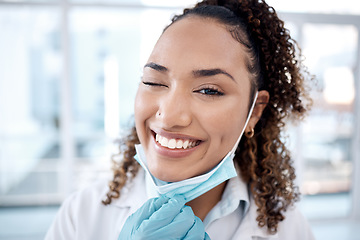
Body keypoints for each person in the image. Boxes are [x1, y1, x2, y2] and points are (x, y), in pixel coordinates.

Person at [45, 0, 315, 239]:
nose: (170, 116)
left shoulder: (289, 229)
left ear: (254, 111)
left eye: (209, 90)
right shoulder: (81, 216)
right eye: (154, 81)